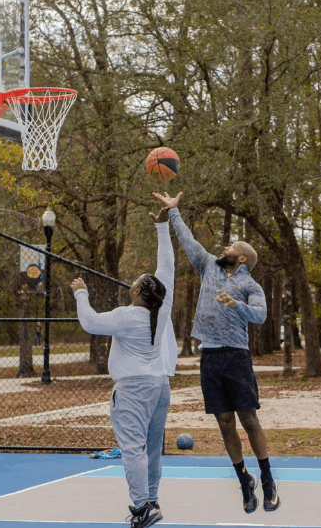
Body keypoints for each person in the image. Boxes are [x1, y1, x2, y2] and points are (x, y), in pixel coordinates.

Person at [153, 191, 280, 514]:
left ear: (241, 259)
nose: (224, 248)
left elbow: (261, 315)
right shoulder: (208, 265)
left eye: (231, 248)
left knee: (248, 419)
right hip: (210, 357)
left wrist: (234, 304)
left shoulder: (251, 286)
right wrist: (174, 211)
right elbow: (189, 241)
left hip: (236, 356)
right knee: (224, 423)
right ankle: (244, 482)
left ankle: (267, 480)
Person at [70, 204, 177, 528]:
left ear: (139, 293)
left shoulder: (127, 316)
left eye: (136, 282)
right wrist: (162, 228)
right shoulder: (162, 307)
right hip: (160, 387)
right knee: (151, 450)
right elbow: (167, 267)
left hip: (133, 389)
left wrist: (81, 294)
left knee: (132, 449)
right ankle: (152, 500)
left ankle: (143, 507)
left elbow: (89, 323)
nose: (132, 283)